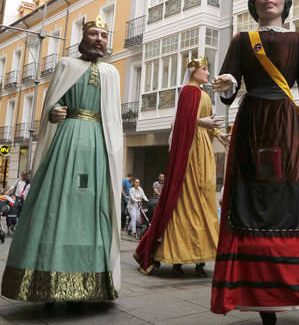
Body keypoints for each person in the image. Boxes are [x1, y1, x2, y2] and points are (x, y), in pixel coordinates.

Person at [211, 0, 299, 325]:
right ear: (254, 4)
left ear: (285, 2)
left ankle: (289, 285)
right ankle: (255, 293)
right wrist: (228, 84)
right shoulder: (242, 41)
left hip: (285, 123)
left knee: (287, 194)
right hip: (252, 122)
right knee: (250, 194)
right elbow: (228, 86)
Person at [1, 16, 122, 302]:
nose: (99, 39)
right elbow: (53, 101)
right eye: (94, 34)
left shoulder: (111, 73)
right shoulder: (67, 65)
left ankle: (94, 280)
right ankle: (47, 273)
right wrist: (54, 111)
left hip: (98, 144)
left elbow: (113, 117)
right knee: (58, 202)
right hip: (68, 141)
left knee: (94, 207)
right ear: (83, 36)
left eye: (104, 35)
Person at [135, 59, 228, 278]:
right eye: (204, 68)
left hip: (204, 149)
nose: (207, 72)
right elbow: (183, 121)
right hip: (190, 150)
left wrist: (220, 135)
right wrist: (202, 123)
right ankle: (177, 256)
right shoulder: (188, 91)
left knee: (204, 199)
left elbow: (207, 122)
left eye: (207, 68)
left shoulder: (204, 95)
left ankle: (199, 257)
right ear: (193, 71)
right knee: (186, 200)